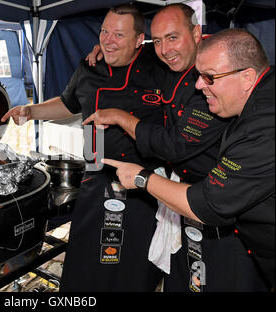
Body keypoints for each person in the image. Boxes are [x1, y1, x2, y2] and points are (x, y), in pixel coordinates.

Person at [83, 3, 269, 291]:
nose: (199, 85)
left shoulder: (256, 121)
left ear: (197, 34)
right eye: (156, 40)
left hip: (221, 210)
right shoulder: (170, 62)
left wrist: (141, 173)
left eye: (172, 37)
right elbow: (134, 50)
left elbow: (179, 151)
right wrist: (108, 46)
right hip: (190, 199)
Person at [2, 4, 167, 291]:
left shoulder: (160, 65)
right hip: (95, 177)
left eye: (119, 34)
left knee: (133, 269)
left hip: (143, 185)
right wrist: (30, 111)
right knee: (85, 263)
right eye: (104, 31)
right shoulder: (89, 66)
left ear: (140, 40)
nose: (108, 40)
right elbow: (68, 103)